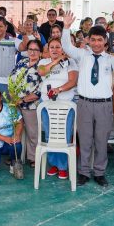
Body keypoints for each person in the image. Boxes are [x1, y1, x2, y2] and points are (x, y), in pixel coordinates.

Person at [60, 10, 114, 187]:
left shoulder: (111, 58)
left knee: (101, 141)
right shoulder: (82, 55)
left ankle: (99, 172)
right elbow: (66, 47)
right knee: (85, 139)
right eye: (93, 39)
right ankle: (83, 172)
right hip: (85, 104)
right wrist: (66, 27)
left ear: (105, 41)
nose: (96, 43)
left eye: (100, 40)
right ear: (88, 40)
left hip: (104, 105)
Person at [37, 37, 79, 179]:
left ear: (63, 49)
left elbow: (73, 81)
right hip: (47, 104)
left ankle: (62, 166)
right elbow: (42, 72)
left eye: (58, 47)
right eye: (52, 47)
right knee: (49, 134)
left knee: (64, 135)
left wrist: (59, 89)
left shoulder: (71, 62)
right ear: (48, 50)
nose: (55, 49)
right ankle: (54, 164)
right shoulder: (43, 62)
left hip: (66, 104)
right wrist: (56, 61)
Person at [12, 39, 43, 168]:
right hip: (16, 103)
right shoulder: (22, 62)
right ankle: (15, 155)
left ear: (40, 52)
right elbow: (12, 78)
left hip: (32, 106)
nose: (32, 52)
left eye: (36, 50)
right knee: (15, 130)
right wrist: (13, 96)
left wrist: (23, 100)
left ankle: (33, 157)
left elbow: (40, 91)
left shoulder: (42, 66)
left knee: (32, 133)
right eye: (30, 49)